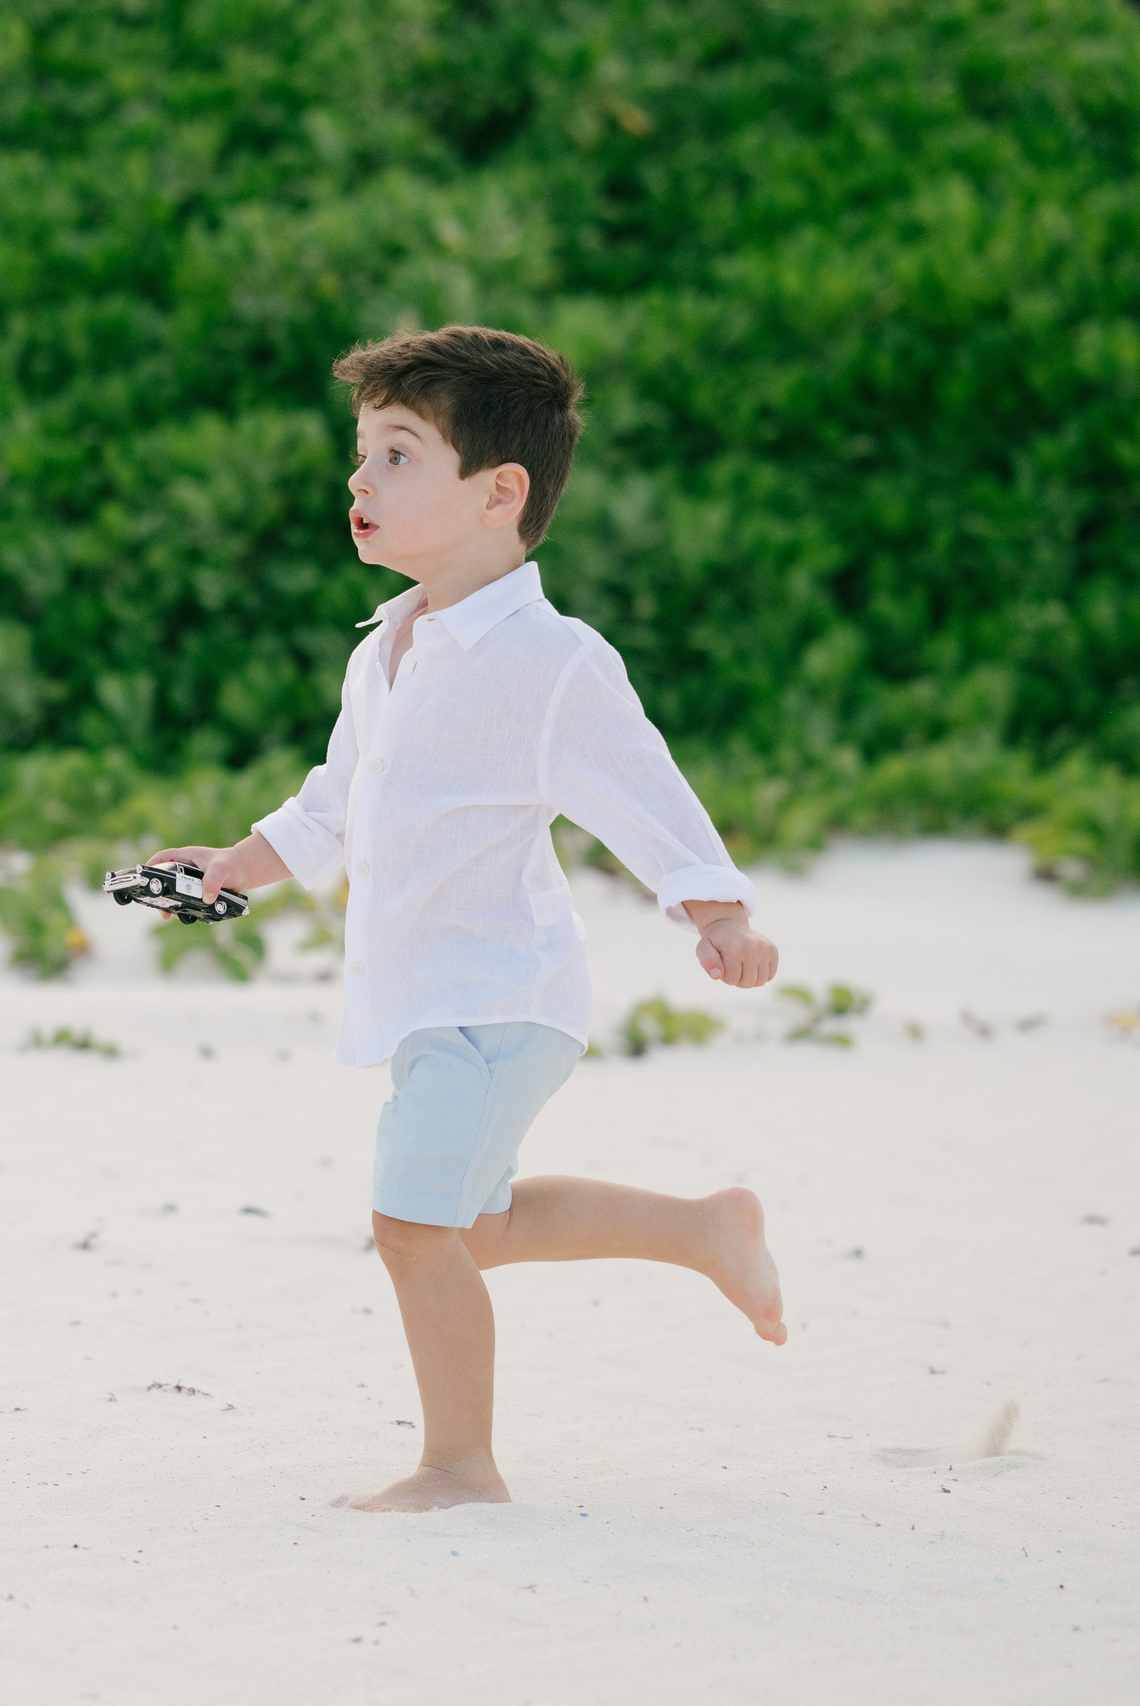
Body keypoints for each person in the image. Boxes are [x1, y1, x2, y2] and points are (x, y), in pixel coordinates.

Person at [150, 325, 787, 1514]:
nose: (358, 480)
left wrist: (715, 909)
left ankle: (458, 1463)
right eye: (359, 455)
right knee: (471, 1225)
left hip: (500, 996)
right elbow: (336, 803)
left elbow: (640, 787)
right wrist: (234, 863)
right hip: (428, 999)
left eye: (396, 454)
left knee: (410, 1225)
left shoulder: (550, 660)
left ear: (501, 493)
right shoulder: (388, 647)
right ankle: (705, 1229)